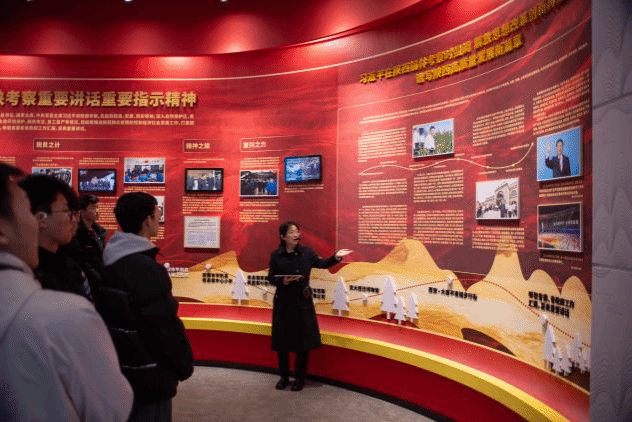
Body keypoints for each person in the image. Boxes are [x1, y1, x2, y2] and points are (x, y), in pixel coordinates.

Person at [0, 163, 133, 421]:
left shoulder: (70, 266)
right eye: (28, 211)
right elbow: (111, 409)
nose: (36, 222)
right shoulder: (65, 316)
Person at [97, 192, 193, 421]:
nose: (159, 218)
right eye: (157, 213)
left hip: (119, 371)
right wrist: (183, 365)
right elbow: (163, 327)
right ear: (147, 220)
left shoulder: (108, 259)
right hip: (148, 377)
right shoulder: (146, 270)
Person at [267, 221, 352, 392]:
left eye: (297, 231)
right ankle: (284, 377)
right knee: (282, 342)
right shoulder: (276, 255)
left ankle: (299, 379)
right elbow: (271, 277)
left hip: (302, 303)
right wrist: (282, 281)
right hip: (283, 302)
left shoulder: (306, 253)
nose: (296, 235)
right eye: (292, 232)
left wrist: (336, 257)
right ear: (283, 236)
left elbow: (322, 264)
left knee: (301, 343)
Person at [19, 174, 92, 301]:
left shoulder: (69, 263)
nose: (74, 220)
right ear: (41, 218)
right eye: (66, 211)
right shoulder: (27, 273)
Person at [62, 193, 107, 290]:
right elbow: (82, 262)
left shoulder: (99, 232)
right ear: (82, 210)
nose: (97, 211)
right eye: (93, 208)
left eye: (97, 207)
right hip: (89, 282)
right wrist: (99, 278)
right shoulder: (77, 234)